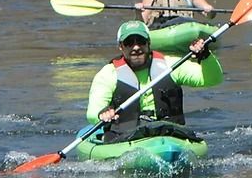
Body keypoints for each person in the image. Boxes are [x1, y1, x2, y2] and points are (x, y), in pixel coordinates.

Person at [87, 21, 223, 143]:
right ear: (121, 47)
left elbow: (213, 79)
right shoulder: (108, 74)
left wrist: (205, 56)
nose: (136, 47)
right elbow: (93, 113)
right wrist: (103, 113)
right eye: (129, 43)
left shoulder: (170, 65)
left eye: (140, 41)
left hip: (169, 133)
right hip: (125, 136)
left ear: (148, 43)